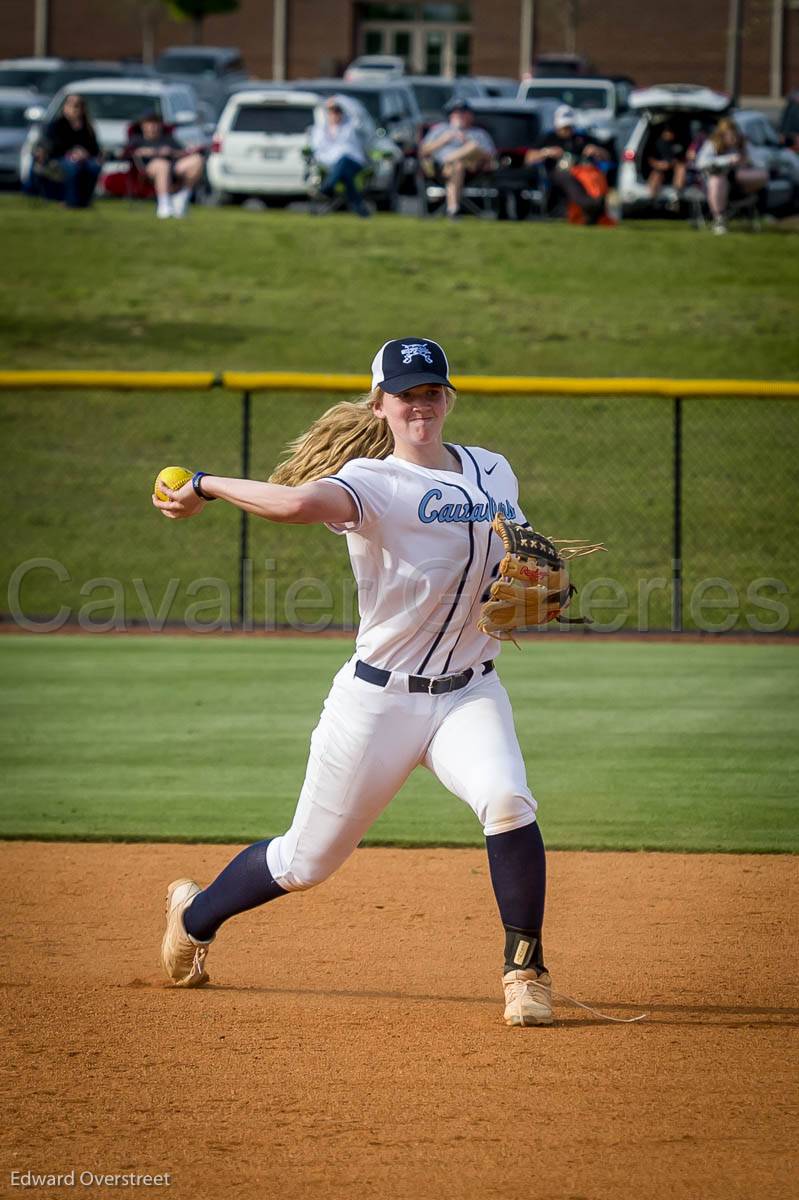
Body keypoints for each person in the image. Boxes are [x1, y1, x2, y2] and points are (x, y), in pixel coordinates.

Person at [153, 337, 555, 1028]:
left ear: (448, 398)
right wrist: (205, 483)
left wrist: (542, 585)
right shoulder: (370, 481)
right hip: (379, 701)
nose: (418, 404)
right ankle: (193, 915)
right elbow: (294, 504)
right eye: (404, 393)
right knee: (304, 862)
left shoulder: (494, 470)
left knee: (508, 799)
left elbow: (518, 554)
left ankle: (525, 973)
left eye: (430, 390)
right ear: (381, 405)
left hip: (468, 691)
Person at [524, 104, 611, 225]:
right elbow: (529, 158)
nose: (567, 130)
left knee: (595, 177)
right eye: (564, 127)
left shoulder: (582, 138)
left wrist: (596, 150)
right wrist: (547, 152)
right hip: (558, 174)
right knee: (567, 178)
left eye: (569, 127)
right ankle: (590, 204)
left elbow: (607, 156)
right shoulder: (549, 138)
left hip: (582, 173)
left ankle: (592, 210)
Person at [418, 100, 496, 219]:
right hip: (440, 169)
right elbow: (423, 151)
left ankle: (449, 160)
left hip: (472, 168)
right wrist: (443, 140)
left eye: (464, 112)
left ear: (471, 115)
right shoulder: (440, 129)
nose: (460, 115)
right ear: (450, 115)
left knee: (473, 146)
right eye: (456, 113)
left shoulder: (479, 133)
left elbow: (491, 156)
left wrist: (466, 141)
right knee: (458, 165)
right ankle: (453, 209)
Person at [695, 117, 769, 235]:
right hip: (716, 185)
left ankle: (760, 211)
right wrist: (728, 160)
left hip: (739, 183)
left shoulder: (743, 144)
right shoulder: (712, 144)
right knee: (717, 179)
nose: (733, 139)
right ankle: (720, 219)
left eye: (735, 135)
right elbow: (700, 163)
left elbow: (761, 163)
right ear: (722, 135)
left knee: (762, 175)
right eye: (730, 135)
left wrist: (747, 160)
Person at [27, 93, 102, 208]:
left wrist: (84, 153)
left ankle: (84, 201)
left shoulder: (87, 127)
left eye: (79, 106)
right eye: (72, 105)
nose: (75, 109)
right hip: (58, 158)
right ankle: (70, 201)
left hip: (83, 159)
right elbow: (51, 146)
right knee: (71, 168)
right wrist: (72, 152)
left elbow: (94, 148)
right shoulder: (56, 125)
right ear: (65, 107)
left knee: (94, 167)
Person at [127, 111, 205, 219]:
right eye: (149, 124)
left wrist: (171, 151)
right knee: (162, 164)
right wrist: (156, 152)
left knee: (197, 159)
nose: (152, 127)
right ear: (143, 126)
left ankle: (182, 197)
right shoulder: (137, 139)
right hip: (149, 168)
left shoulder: (167, 138)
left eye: (155, 124)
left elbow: (181, 152)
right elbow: (132, 152)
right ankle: (164, 204)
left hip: (173, 166)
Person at [310, 97, 369, 218]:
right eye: (332, 112)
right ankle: (360, 209)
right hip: (331, 164)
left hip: (353, 161)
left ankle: (326, 188)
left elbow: (357, 112)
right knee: (346, 177)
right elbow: (318, 149)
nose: (335, 115)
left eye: (338, 112)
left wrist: (339, 99)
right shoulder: (321, 129)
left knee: (343, 160)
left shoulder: (350, 126)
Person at [646, 122, 688, 210]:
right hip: (660, 169)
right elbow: (650, 159)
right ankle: (652, 201)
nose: (671, 135)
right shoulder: (656, 144)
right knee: (656, 175)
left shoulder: (678, 144)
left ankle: (675, 197)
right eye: (669, 132)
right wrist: (659, 164)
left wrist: (671, 164)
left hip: (674, 169)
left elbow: (683, 159)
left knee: (681, 168)